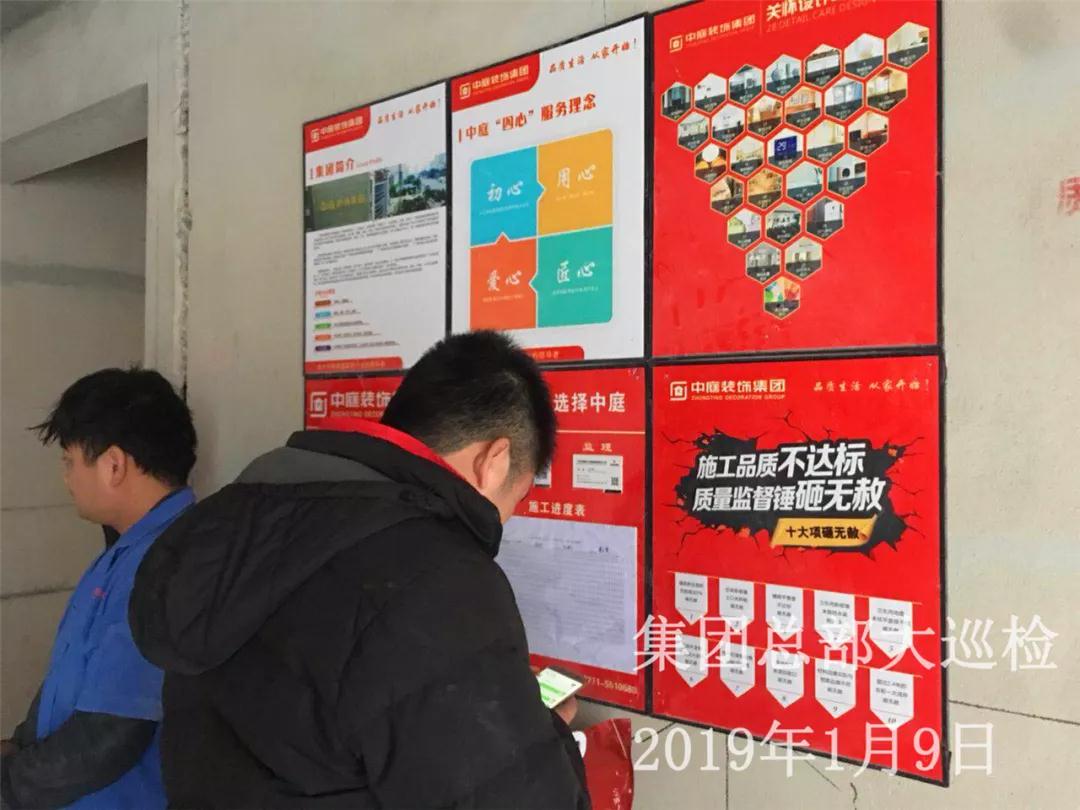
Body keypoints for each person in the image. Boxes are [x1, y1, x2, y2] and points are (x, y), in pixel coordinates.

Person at [129, 331, 589, 809]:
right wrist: (543, 733)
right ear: (494, 461)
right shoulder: (439, 579)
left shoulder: (235, 518)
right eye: (518, 497)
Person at [0, 369, 197, 809]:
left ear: (113, 465)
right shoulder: (124, 551)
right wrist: (18, 746)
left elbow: (111, 735)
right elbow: (70, 678)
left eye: (69, 461)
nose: (67, 478)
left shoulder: (167, 563)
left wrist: (10, 785)